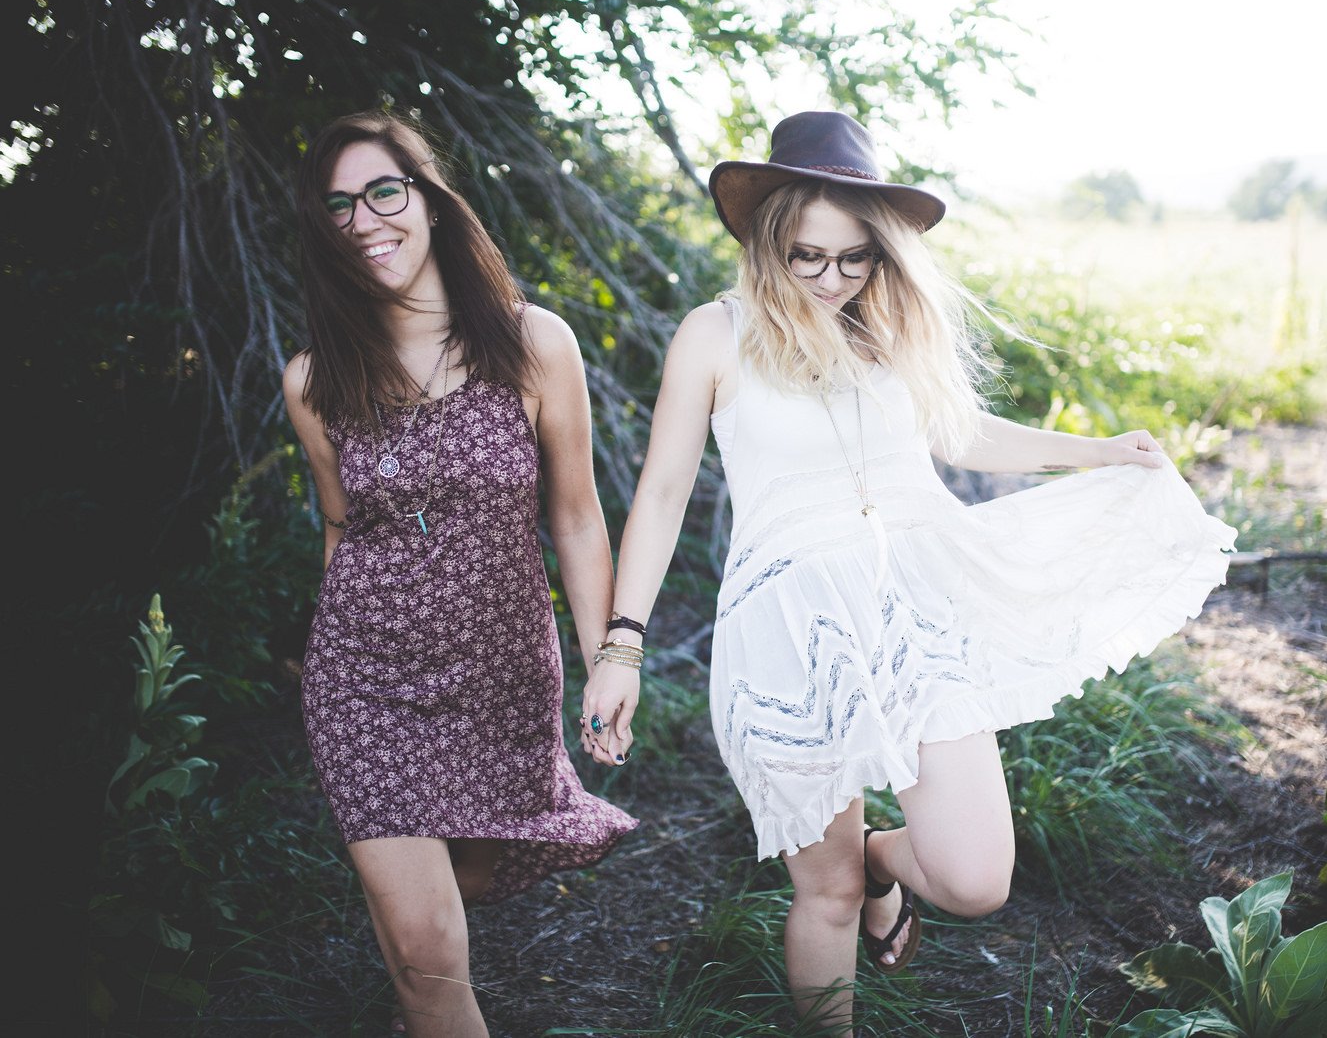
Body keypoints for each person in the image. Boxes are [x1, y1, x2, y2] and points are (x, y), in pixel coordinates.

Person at [581, 110, 1235, 1033]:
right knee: (828, 893)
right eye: (808, 256)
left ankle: (886, 862)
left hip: (919, 619)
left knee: (974, 880)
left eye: (855, 259)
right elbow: (658, 497)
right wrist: (623, 646)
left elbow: (960, 433)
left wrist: (1098, 452)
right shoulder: (714, 335)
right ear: (769, 239)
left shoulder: (884, 332)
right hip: (789, 633)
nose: (830, 278)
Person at [283, 112, 637, 1037]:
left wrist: (609, 656)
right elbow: (339, 526)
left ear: (430, 200)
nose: (363, 221)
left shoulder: (533, 344)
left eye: (383, 192)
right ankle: (420, 974)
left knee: (459, 887)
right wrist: (337, 659)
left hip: (502, 678)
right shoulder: (315, 378)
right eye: (338, 208)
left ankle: (412, 972)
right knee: (433, 950)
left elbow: (576, 514)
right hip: (368, 680)